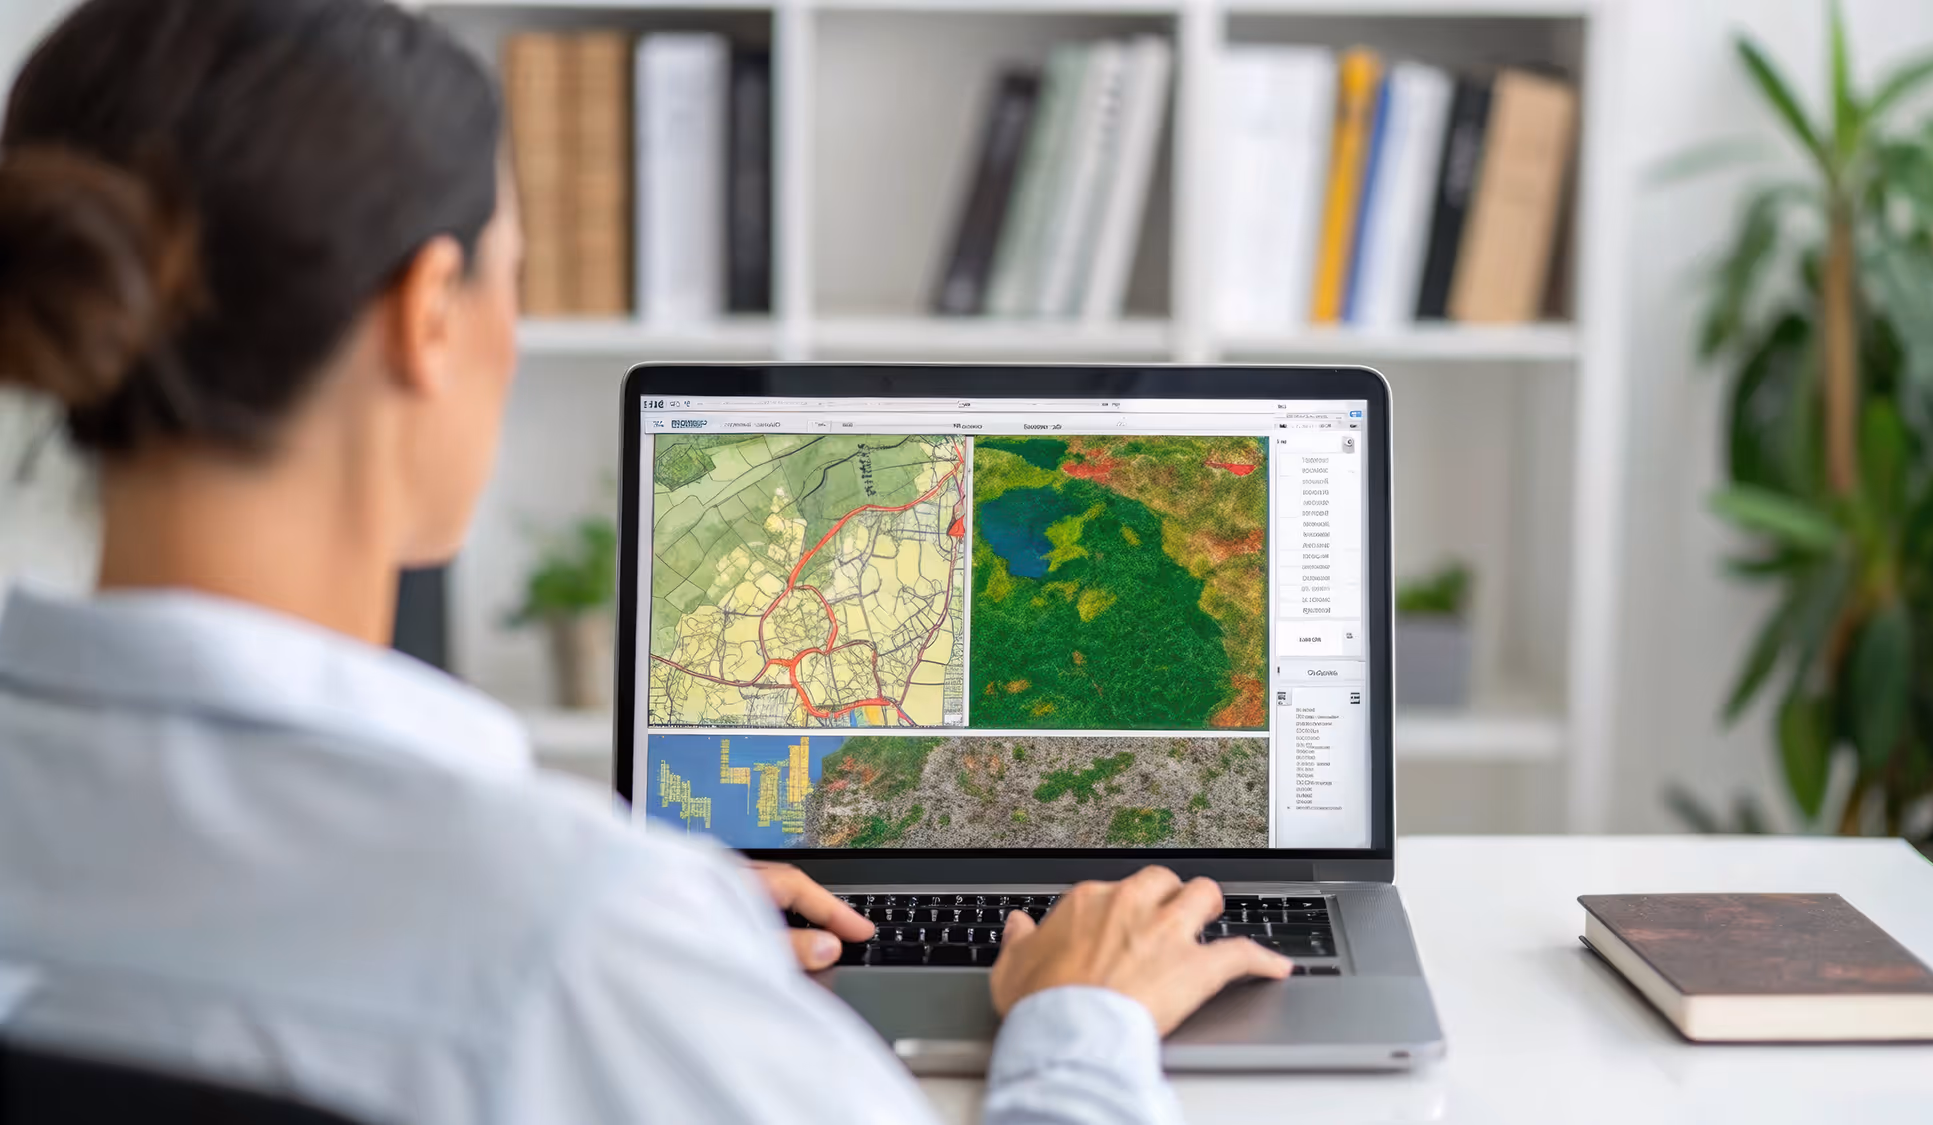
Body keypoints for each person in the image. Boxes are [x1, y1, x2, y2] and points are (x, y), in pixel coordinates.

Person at [0, 1, 1292, 1122]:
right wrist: (1083, 1024)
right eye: (514, 276)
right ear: (427, 318)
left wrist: (666, 915)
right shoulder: (565, 936)